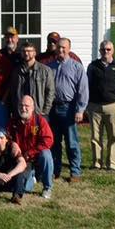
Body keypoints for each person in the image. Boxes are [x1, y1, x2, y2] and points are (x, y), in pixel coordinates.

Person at [47, 37, 88, 183]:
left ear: (69, 48)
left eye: (64, 47)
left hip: (69, 108)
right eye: (59, 47)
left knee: (72, 143)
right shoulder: (50, 67)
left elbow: (83, 90)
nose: (61, 50)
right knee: (54, 142)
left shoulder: (76, 67)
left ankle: (75, 172)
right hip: (53, 109)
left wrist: (80, 109)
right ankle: (55, 171)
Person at [86, 40, 115, 170]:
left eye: (108, 49)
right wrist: (87, 104)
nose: (106, 52)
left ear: (113, 51)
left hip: (113, 106)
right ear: (100, 51)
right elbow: (87, 85)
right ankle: (97, 163)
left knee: (113, 137)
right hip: (94, 107)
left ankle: (111, 164)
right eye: (103, 49)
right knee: (95, 137)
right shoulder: (92, 66)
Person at [9, 95, 55, 198]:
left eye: (26, 106)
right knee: (26, 188)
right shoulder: (13, 122)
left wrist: (31, 152)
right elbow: (6, 137)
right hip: (22, 160)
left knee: (46, 154)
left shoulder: (40, 121)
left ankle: (47, 187)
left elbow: (48, 140)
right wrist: (12, 143)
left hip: (37, 157)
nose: (23, 108)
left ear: (33, 108)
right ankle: (33, 175)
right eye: (21, 105)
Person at [6, 41, 56, 117]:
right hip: (21, 112)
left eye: (29, 51)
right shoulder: (16, 71)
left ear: (35, 53)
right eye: (24, 51)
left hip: (38, 113)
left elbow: (50, 92)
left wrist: (45, 111)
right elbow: (13, 92)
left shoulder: (45, 70)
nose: (26, 53)